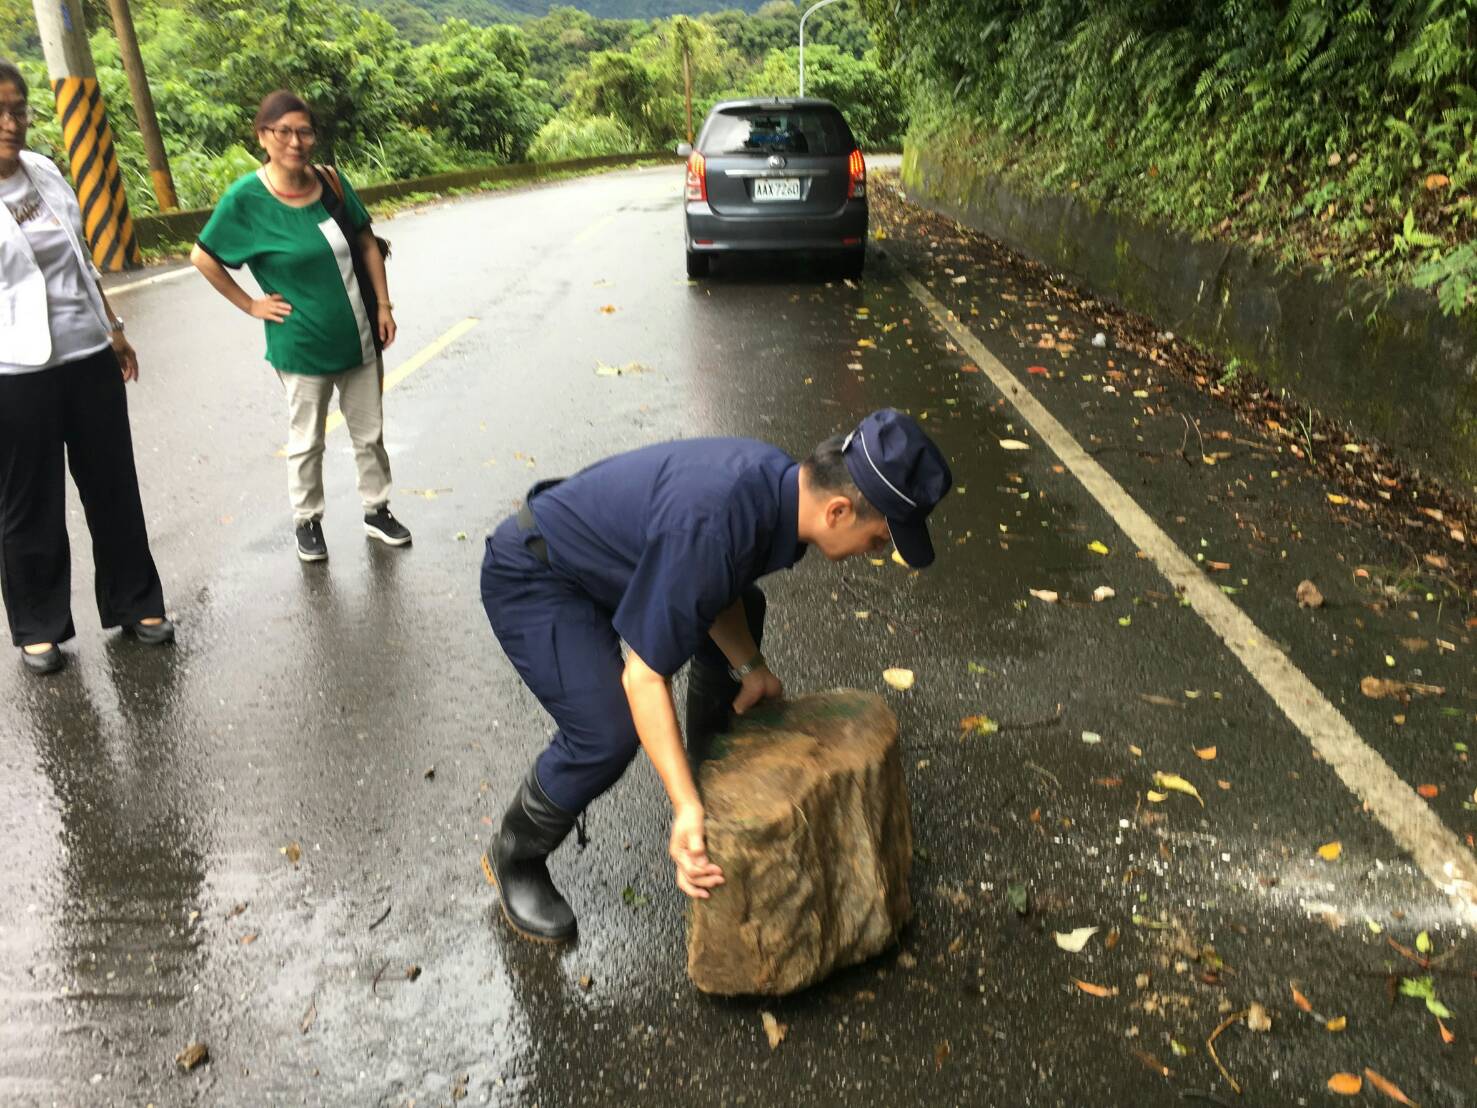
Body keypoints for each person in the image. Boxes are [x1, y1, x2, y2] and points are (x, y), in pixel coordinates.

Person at [480, 409, 953, 942]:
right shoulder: (716, 524)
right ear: (839, 511)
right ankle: (516, 855)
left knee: (744, 606)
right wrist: (681, 806)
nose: (880, 551)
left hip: (612, 562)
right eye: (879, 540)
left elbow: (720, 582)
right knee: (606, 734)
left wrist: (750, 668)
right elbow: (644, 676)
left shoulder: (778, 490)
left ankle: (713, 771)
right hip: (537, 577)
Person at [0, 60, 173, 676]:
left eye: (17, 108)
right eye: (0, 110)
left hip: (86, 354)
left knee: (113, 484)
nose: (10, 121)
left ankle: (136, 602)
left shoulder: (44, 172)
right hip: (14, 371)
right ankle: (39, 626)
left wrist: (114, 330)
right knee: (28, 503)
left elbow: (79, 261)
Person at [190, 90, 409, 563]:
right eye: (283, 131)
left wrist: (385, 306)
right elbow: (202, 257)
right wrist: (250, 304)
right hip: (300, 345)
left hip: (358, 335)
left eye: (304, 130)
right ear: (263, 137)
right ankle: (307, 521)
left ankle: (377, 510)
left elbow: (368, 245)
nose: (296, 141)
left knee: (369, 434)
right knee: (307, 440)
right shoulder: (246, 199)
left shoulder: (330, 181)